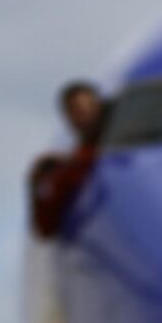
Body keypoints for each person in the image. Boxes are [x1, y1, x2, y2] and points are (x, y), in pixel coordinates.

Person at [28, 80, 108, 240]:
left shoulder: (100, 155)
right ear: (68, 116)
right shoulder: (69, 169)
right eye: (78, 110)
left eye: (90, 107)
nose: (86, 114)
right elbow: (44, 227)